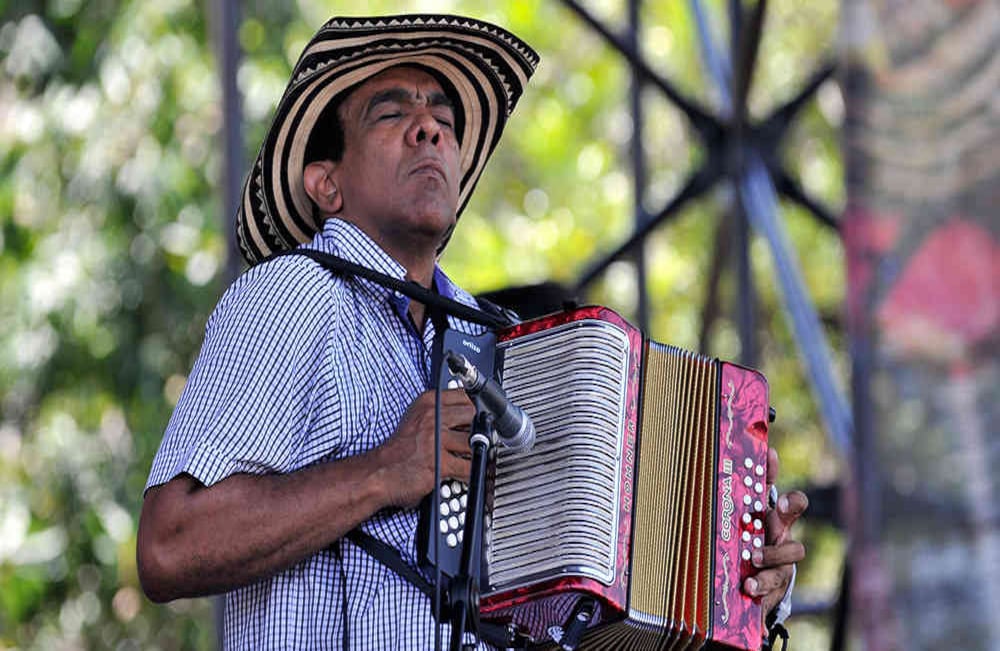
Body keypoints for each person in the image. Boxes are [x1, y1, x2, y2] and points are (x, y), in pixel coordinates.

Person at [136, 14, 807, 650]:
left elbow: (570, 621)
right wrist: (383, 471)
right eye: (392, 112)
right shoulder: (296, 292)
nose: (430, 129)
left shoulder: (511, 349)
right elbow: (169, 544)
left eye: (445, 119)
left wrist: (741, 578)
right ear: (327, 184)